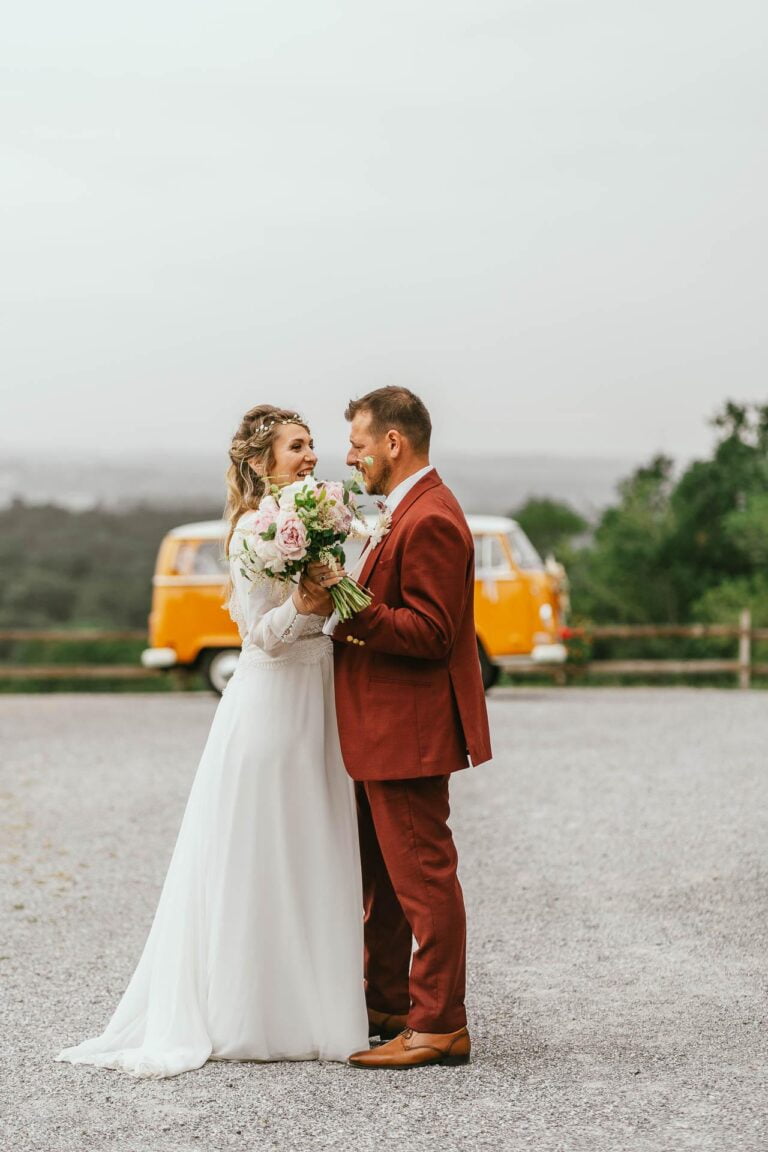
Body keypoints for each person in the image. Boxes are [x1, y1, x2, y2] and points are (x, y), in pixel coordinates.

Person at [56, 405, 368, 1078]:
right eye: (295, 446)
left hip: (320, 698)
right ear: (262, 462)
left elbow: (337, 618)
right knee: (265, 845)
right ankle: (250, 1013)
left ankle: (324, 1010)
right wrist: (307, 607)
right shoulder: (252, 532)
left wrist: (338, 597)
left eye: (312, 444)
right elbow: (261, 635)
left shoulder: (325, 517)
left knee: (316, 839)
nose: (311, 456)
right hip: (270, 702)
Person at [313, 386, 493, 1069]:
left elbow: (431, 632)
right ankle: (388, 1001)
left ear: (394, 442)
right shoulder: (402, 509)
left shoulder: (432, 519)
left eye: (359, 442)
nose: (351, 455)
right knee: (385, 880)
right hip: (382, 730)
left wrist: (345, 601)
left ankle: (440, 1024)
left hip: (409, 732)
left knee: (423, 877)